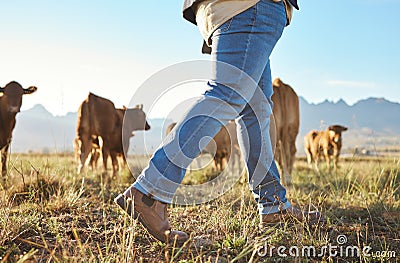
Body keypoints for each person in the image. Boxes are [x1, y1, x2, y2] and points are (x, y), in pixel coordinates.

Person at [115, 0, 323, 244]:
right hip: (250, 6)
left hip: (239, 9)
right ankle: (149, 192)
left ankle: (272, 203)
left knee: (255, 110)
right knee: (227, 95)